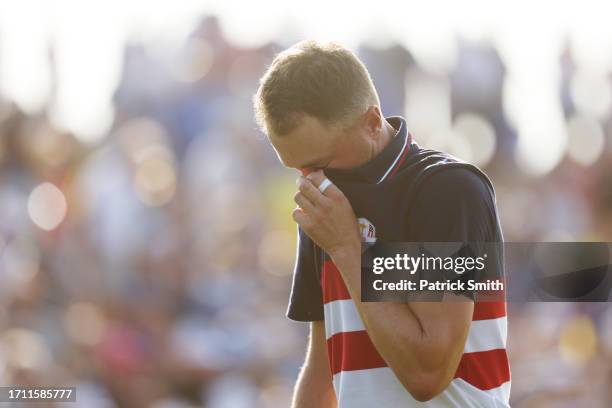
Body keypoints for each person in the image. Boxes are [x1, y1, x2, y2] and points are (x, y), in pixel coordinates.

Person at [253, 40, 510, 407]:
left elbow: (427, 375)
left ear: (372, 123)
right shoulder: (326, 198)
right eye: (296, 167)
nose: (309, 180)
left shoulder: (449, 191)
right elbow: (325, 368)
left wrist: (348, 250)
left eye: (319, 161)